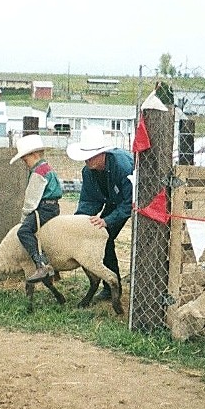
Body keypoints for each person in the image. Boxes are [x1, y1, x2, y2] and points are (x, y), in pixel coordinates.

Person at [67, 128, 134, 299]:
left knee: (112, 235)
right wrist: (79, 222)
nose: (87, 160)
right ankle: (111, 285)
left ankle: (123, 285)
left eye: (90, 155)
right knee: (103, 238)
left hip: (135, 200)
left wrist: (108, 220)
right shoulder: (88, 171)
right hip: (114, 201)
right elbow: (89, 200)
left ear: (102, 153)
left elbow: (130, 202)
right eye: (85, 155)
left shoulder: (123, 167)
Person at [9, 134, 63, 282]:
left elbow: (31, 200)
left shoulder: (38, 172)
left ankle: (41, 265)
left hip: (43, 208)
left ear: (33, 154)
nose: (25, 163)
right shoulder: (47, 168)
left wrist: (23, 219)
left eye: (25, 159)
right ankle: (54, 268)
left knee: (24, 232)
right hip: (53, 207)